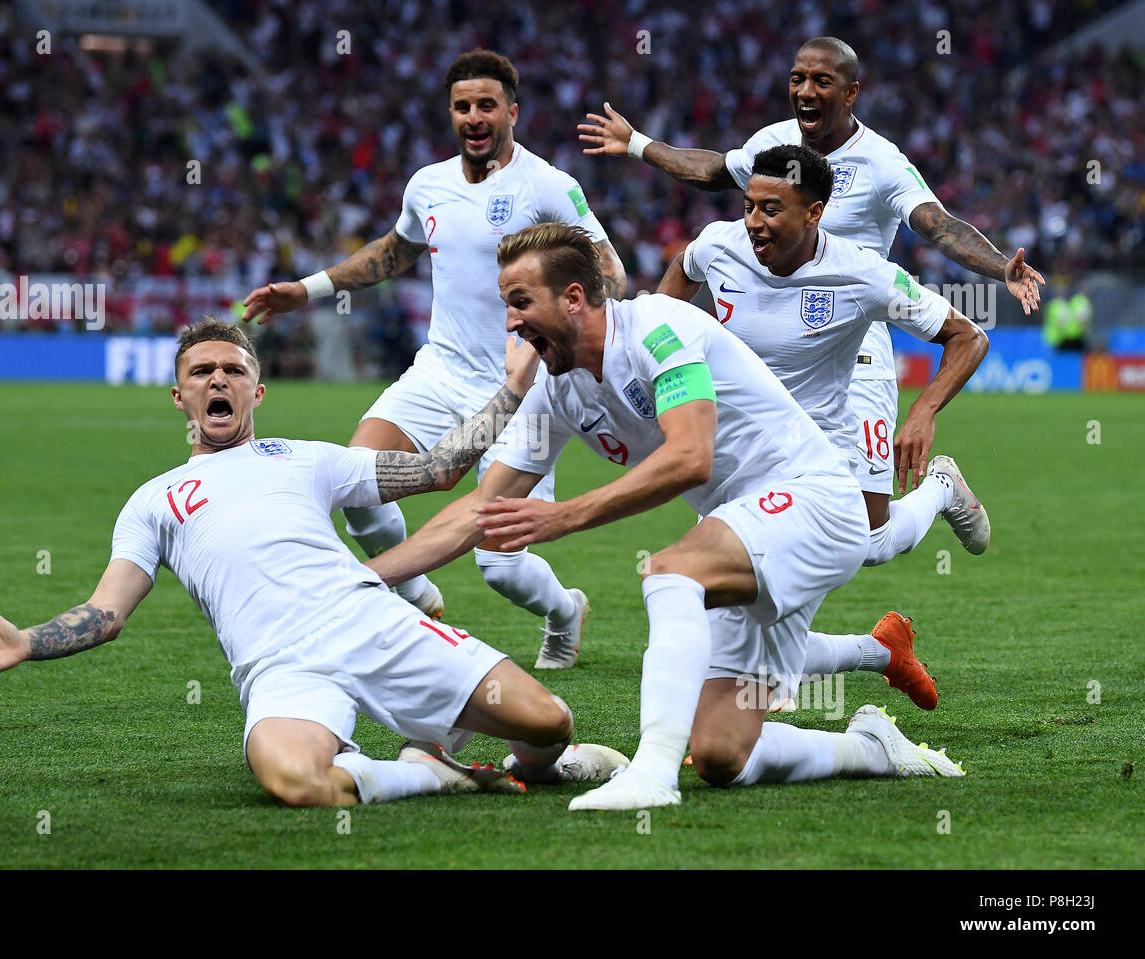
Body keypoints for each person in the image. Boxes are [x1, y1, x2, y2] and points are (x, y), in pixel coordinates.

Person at [368, 224, 964, 811]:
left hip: (812, 500)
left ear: (574, 298)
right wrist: (368, 578)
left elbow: (690, 456)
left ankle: (652, 773)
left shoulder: (656, 328)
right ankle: (872, 749)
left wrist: (562, 517)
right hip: (748, 528)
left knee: (671, 572)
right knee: (723, 755)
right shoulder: (558, 389)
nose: (510, 323)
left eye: (520, 302)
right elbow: (481, 508)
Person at [0, 318, 627, 808]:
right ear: (181, 396)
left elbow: (439, 469)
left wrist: (511, 391)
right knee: (291, 780)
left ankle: (546, 765)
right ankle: (428, 772)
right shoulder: (153, 501)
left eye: (233, 369)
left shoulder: (306, 456)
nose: (218, 380)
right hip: (278, 665)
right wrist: (27, 641)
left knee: (546, 719)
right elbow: (107, 612)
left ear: (256, 391)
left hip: (365, 617)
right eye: (201, 372)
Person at [579, 35, 1040, 554]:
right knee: (754, 518)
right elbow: (712, 172)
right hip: (766, 343)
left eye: (822, 81)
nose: (806, 90)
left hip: (854, 343)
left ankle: (940, 488)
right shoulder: (771, 146)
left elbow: (936, 224)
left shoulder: (881, 163)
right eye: (798, 78)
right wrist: (638, 143)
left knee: (866, 538)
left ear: (850, 93)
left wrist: (1001, 266)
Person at [242, 49, 627, 670]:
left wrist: (553, 336)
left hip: (522, 389)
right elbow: (392, 254)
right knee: (359, 486)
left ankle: (564, 611)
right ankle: (415, 592)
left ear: (512, 112)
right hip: (439, 371)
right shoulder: (429, 184)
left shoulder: (551, 186)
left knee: (498, 562)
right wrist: (307, 289)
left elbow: (613, 275)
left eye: (487, 106)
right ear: (451, 114)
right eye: (462, 106)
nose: (474, 117)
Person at [657, 144, 992, 709]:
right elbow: (679, 279)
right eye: (748, 207)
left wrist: (922, 411)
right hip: (737, 453)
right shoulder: (718, 246)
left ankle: (939, 488)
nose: (754, 224)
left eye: (771, 210)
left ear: (814, 213)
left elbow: (968, 336)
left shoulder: (862, 274)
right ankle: (878, 653)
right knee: (735, 613)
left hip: (817, 457)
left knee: (863, 544)